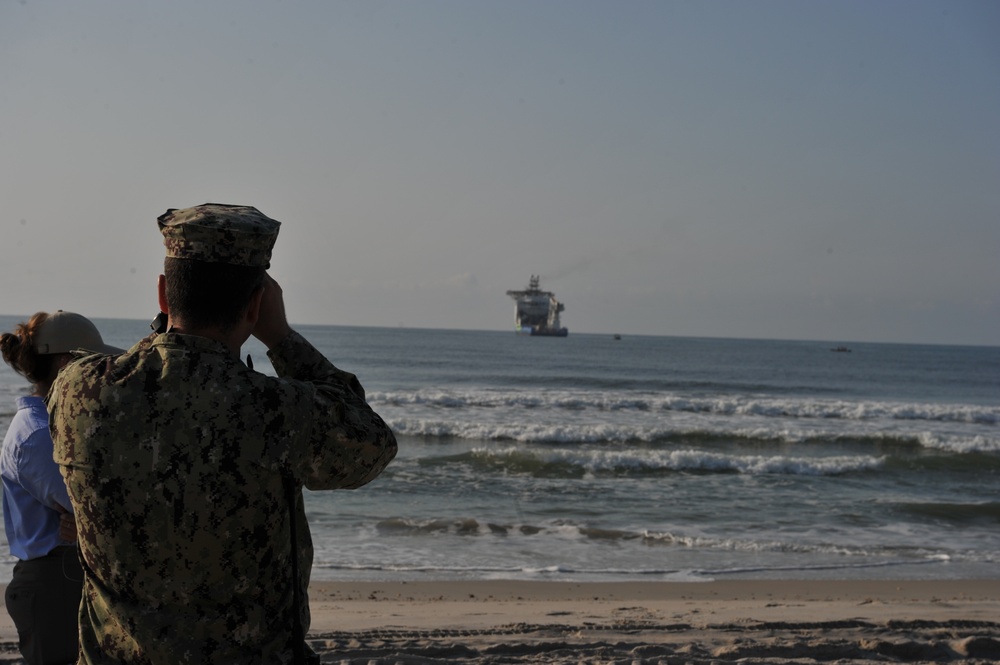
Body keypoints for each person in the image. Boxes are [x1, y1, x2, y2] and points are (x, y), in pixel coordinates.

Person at [48, 204, 398, 664]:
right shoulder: (277, 409)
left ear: (161, 293)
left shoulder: (78, 391)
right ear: (256, 306)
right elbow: (371, 443)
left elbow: (147, 382)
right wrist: (282, 338)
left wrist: (164, 331)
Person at [1, 311, 122, 664]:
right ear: (66, 363)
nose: (102, 374)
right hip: (54, 579)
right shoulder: (39, 435)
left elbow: (86, 514)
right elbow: (92, 509)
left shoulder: (52, 424)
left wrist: (84, 523)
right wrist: (85, 521)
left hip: (62, 574)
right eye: (95, 364)